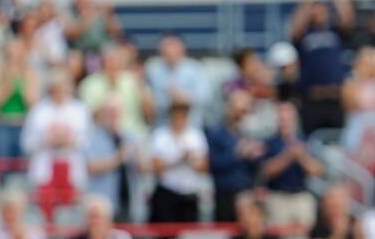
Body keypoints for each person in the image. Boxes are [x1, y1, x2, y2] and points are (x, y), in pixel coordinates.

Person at [288, 0, 353, 135]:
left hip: (335, 98)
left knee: (338, 139)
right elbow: (294, 29)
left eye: (322, 10)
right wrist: (305, 4)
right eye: (316, 11)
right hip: (312, 99)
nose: (319, 14)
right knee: (311, 140)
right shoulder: (306, 35)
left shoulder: (335, 31)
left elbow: (348, 18)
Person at [22, 72, 91, 209]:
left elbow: (87, 141)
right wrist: (46, 140)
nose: (59, 92)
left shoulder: (79, 110)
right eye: (56, 88)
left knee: (70, 209)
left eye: (63, 87)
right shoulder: (39, 110)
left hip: (71, 166)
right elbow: (26, 142)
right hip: (45, 166)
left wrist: (70, 140)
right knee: (45, 207)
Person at [259, 102, 323, 228]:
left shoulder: (305, 140)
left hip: (300, 196)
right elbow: (266, 171)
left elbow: (316, 170)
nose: (285, 122)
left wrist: (301, 157)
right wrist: (288, 156)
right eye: (282, 118)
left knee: (304, 232)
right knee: (279, 234)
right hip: (278, 197)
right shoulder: (270, 142)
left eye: (288, 118)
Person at [207, 89, 266, 222]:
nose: (242, 114)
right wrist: (238, 154)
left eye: (245, 110)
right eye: (239, 110)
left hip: (245, 191)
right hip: (224, 192)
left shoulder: (249, 133)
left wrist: (255, 155)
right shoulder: (216, 133)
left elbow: (258, 166)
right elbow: (213, 163)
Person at [148, 95, 208, 225]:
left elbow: (204, 167)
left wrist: (191, 160)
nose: (179, 117)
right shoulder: (160, 136)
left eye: (183, 113)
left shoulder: (196, 136)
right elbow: (155, 167)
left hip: (190, 193)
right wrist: (178, 160)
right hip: (167, 193)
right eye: (176, 112)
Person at [86, 96, 139, 222]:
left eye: (115, 112)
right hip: (104, 205)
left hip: (128, 203)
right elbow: (91, 167)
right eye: (109, 112)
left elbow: (143, 166)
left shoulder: (129, 136)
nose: (113, 116)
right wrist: (119, 157)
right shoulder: (93, 137)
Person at [145, 33, 208, 126]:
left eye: (173, 46)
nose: (170, 50)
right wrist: (169, 100)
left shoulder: (195, 68)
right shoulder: (153, 69)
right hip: (162, 126)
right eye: (166, 46)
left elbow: (204, 96)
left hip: (191, 126)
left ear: (182, 49)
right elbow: (149, 100)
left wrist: (183, 97)